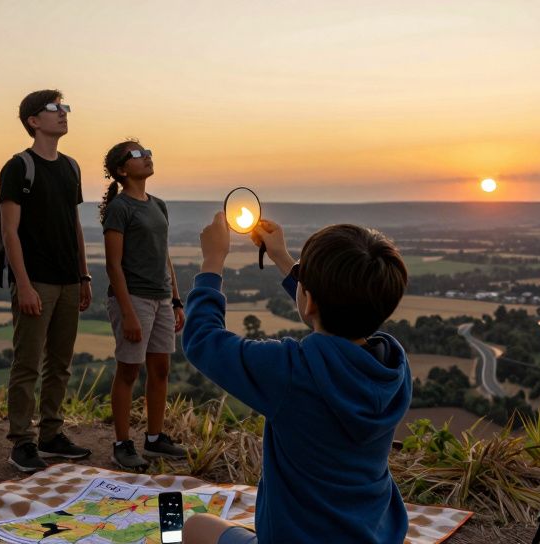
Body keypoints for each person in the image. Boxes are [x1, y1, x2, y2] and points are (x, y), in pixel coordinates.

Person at [181, 215, 412, 544]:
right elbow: (335, 325)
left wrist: (212, 261)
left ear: (309, 299)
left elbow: (202, 340)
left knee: (193, 526)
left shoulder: (289, 371)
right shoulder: (393, 368)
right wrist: (282, 258)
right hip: (374, 536)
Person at [0, 89, 93, 472]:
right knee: (27, 365)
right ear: (33, 121)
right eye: (54, 109)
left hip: (69, 280)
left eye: (65, 107)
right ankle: (21, 442)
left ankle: (51, 434)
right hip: (36, 280)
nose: (63, 114)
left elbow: (74, 226)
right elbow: (9, 232)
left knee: (61, 363)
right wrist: (23, 284)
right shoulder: (19, 167)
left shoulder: (71, 167)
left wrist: (84, 274)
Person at [98, 141, 186, 471]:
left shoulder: (158, 205)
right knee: (129, 371)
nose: (147, 156)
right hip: (133, 299)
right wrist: (129, 312)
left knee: (160, 369)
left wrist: (175, 299)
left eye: (148, 150)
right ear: (122, 170)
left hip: (161, 298)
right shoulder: (120, 209)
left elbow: (165, 257)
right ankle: (122, 444)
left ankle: (154, 438)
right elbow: (113, 265)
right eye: (137, 154)